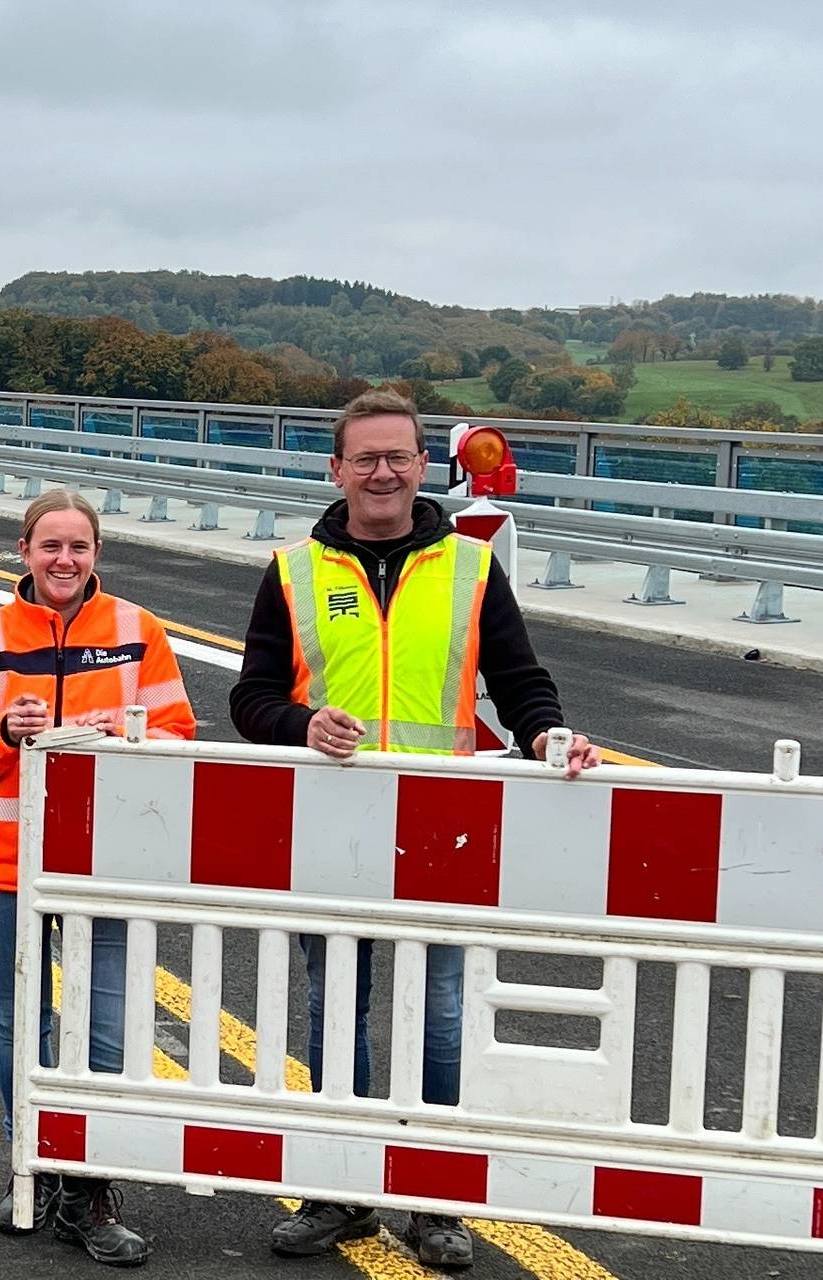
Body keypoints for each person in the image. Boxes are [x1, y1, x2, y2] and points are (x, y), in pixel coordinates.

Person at [228, 389, 598, 1269]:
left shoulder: (471, 568)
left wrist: (547, 735)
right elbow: (251, 698)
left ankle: (436, 1198)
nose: (383, 472)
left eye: (398, 456)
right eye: (366, 458)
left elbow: (520, 684)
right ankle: (339, 1188)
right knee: (337, 1012)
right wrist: (300, 725)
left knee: (441, 1016)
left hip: (442, 828)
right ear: (337, 470)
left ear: (424, 466)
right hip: (335, 827)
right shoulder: (292, 571)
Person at [0, 491, 194, 1270]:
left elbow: (178, 736)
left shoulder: (137, 631)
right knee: (21, 1024)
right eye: (50, 546)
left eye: (79, 546)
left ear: (96, 554)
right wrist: (1, 733)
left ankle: (89, 1186)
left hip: (103, 865)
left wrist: (121, 735)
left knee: (104, 1029)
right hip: (1, 864)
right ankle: (33, 1166)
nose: (64, 560)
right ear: (24, 551)